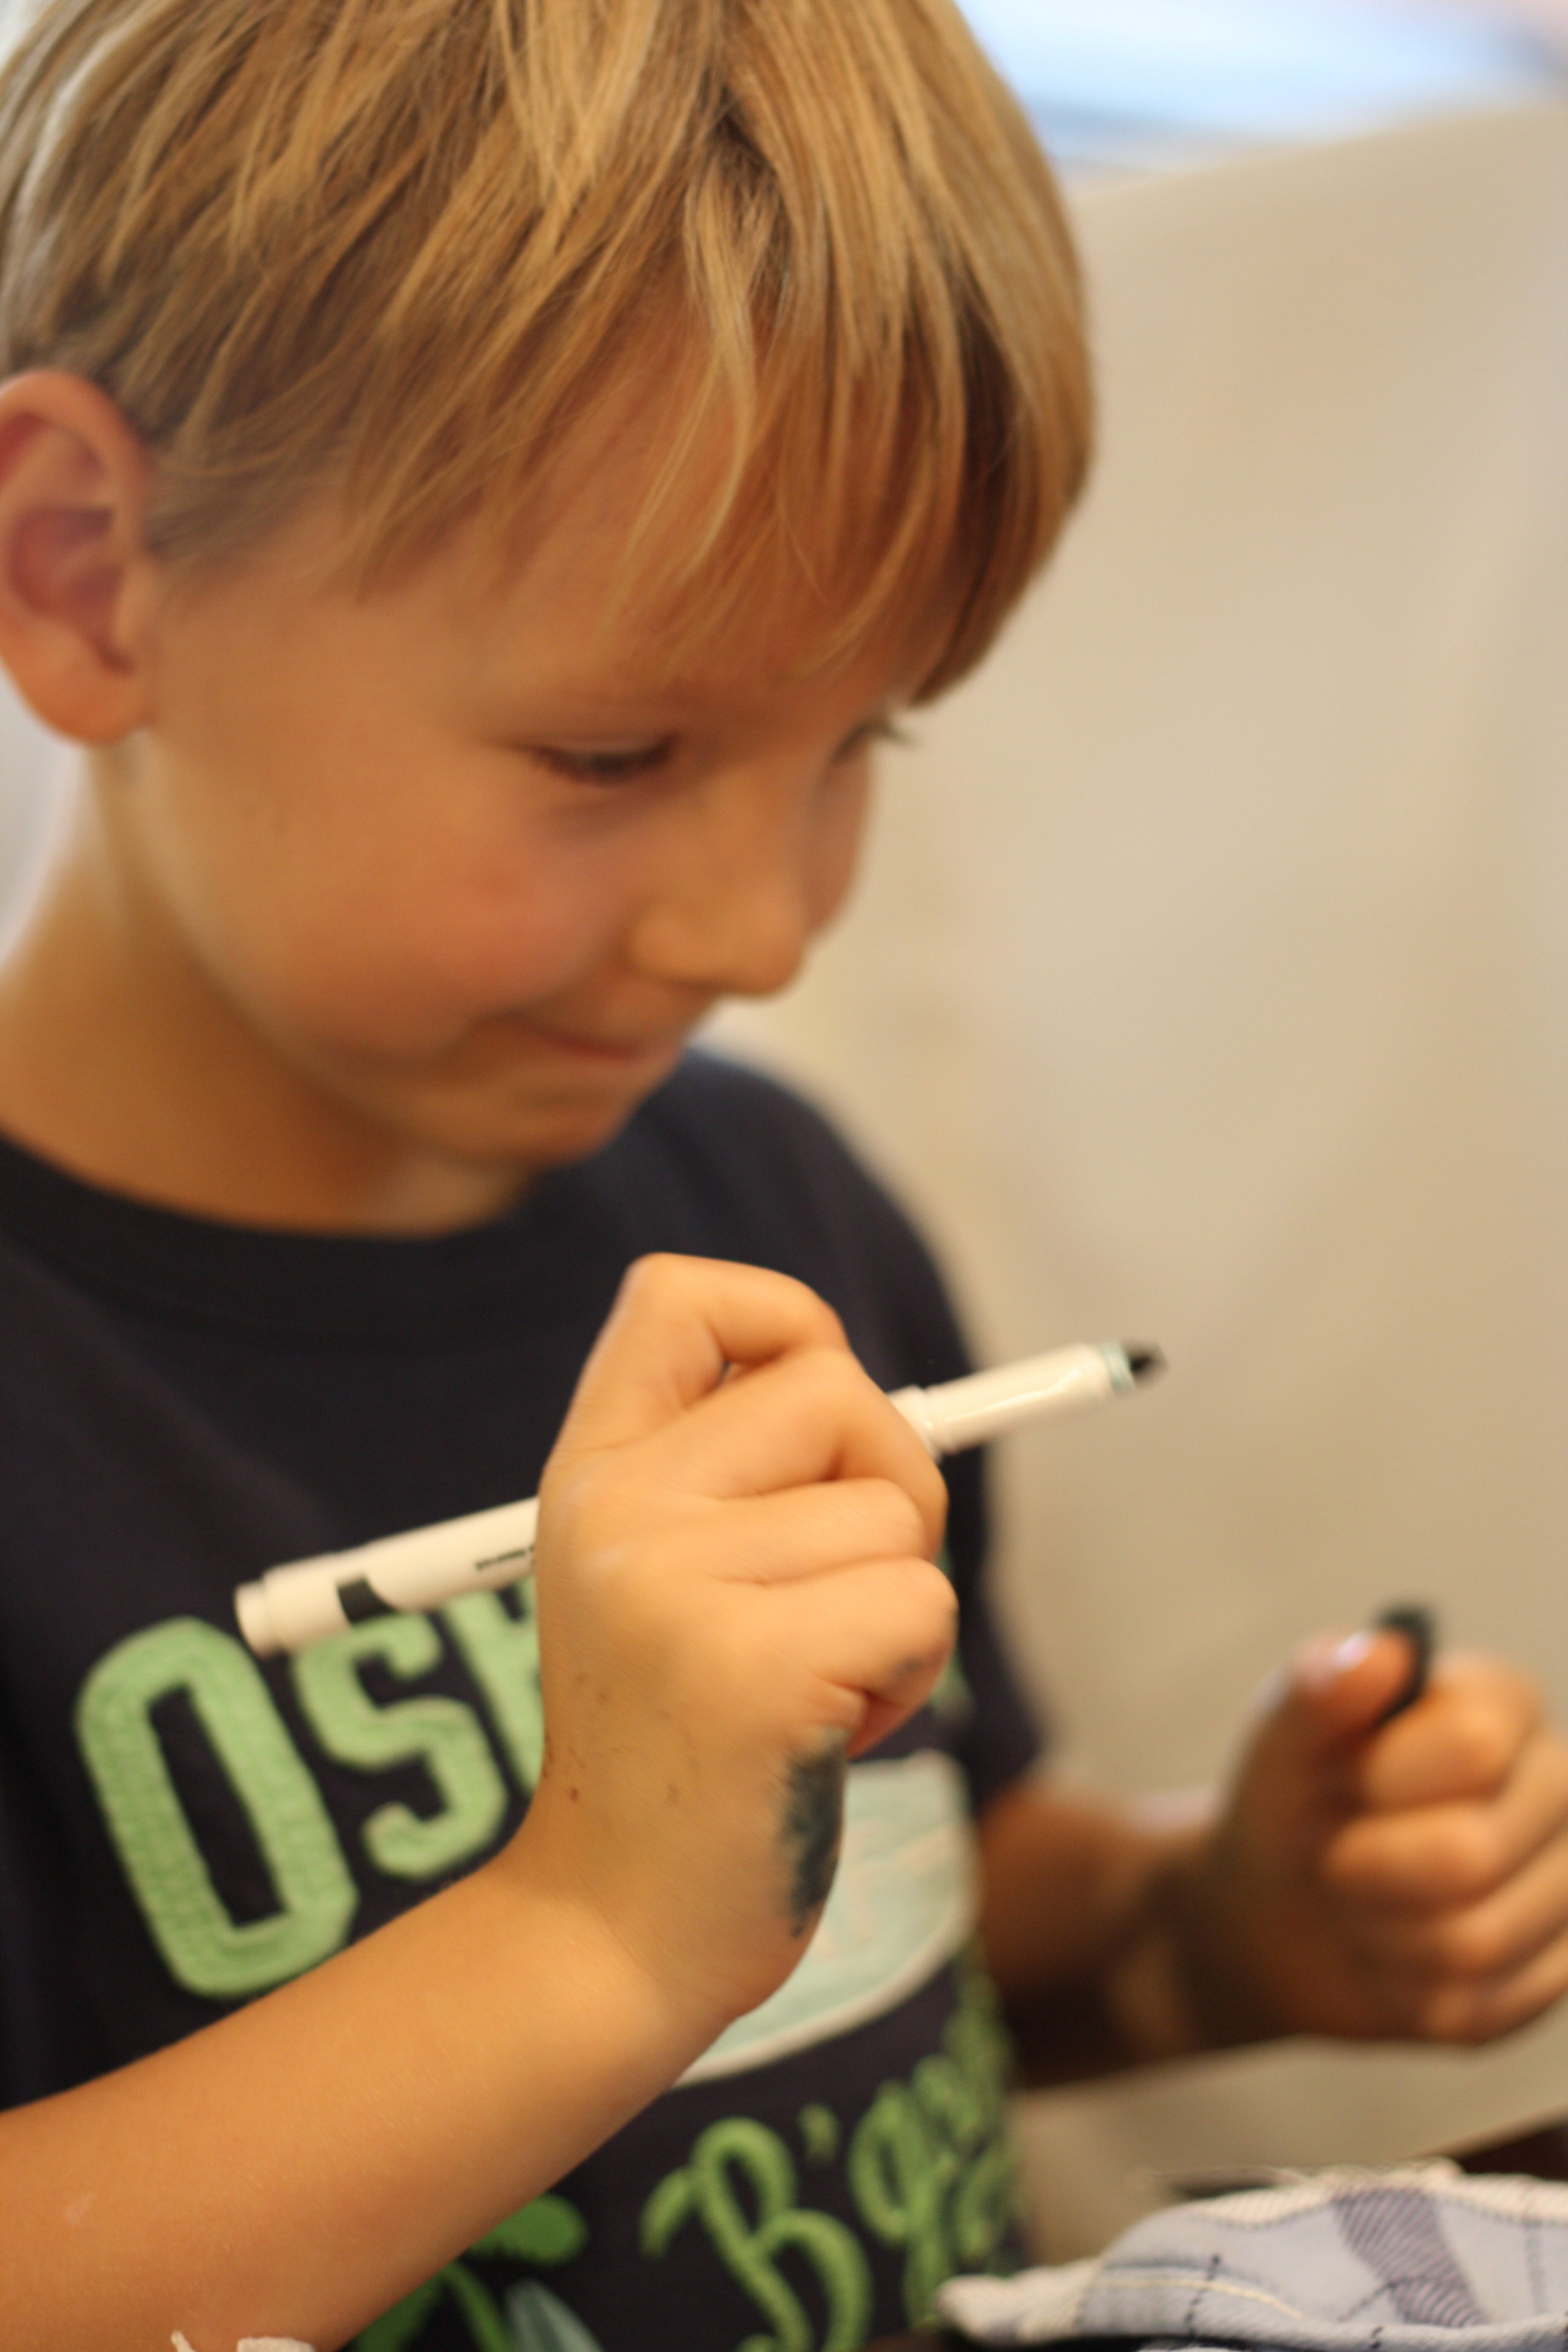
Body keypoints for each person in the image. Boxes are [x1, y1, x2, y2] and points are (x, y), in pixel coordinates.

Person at [0, 3, 1565, 2348]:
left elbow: (913, 1903)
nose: (759, 934)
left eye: (858, 745)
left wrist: (1206, 1930)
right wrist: (588, 1937)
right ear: (87, 570)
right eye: (612, 750)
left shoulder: (768, 1208)